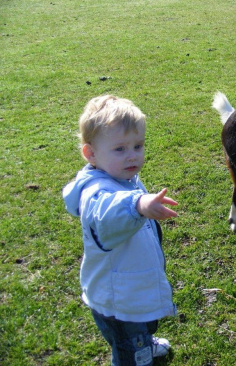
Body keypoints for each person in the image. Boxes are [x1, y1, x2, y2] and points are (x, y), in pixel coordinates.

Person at [63, 95, 178, 366]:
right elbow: (107, 214)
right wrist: (138, 203)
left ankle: (144, 343)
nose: (133, 156)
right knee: (130, 350)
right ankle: (138, 353)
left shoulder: (123, 176)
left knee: (144, 327)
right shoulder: (95, 192)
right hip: (119, 302)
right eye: (120, 149)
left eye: (138, 146)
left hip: (131, 288)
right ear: (90, 154)